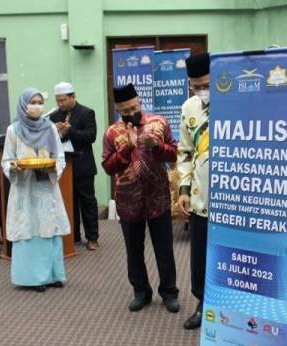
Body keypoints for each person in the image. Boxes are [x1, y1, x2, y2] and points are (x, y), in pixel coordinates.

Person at [102, 83, 180, 313]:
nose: (131, 113)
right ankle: (140, 292)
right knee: (133, 249)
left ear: (140, 103)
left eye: (134, 107)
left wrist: (157, 146)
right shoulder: (112, 133)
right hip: (128, 199)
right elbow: (107, 166)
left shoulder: (159, 123)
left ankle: (169, 292)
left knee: (164, 248)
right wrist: (127, 148)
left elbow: (175, 153)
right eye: (125, 110)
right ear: (118, 110)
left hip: (158, 197)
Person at [2, 88, 70, 292]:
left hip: (46, 188)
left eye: (40, 102)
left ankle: (52, 275)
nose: (37, 105)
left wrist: (53, 166)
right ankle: (31, 279)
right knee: (28, 229)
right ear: (24, 104)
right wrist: (14, 166)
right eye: (33, 101)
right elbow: (6, 160)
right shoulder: (13, 130)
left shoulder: (49, 128)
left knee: (48, 229)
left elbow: (59, 157)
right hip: (24, 189)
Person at [176, 52, 210, 329]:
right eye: (196, 86)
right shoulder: (189, 108)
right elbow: (185, 152)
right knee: (199, 257)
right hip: (200, 198)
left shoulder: (238, 105)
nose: (201, 91)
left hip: (233, 198)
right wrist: (184, 189)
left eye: (206, 84)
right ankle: (202, 304)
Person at [50, 82, 99, 251]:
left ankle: (92, 238)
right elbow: (52, 142)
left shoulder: (86, 113)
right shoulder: (55, 115)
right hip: (64, 166)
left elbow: (90, 137)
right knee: (69, 203)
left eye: (63, 100)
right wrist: (58, 133)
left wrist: (69, 131)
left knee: (88, 203)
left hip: (83, 166)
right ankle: (74, 235)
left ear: (73, 97)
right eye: (58, 101)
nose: (60, 104)